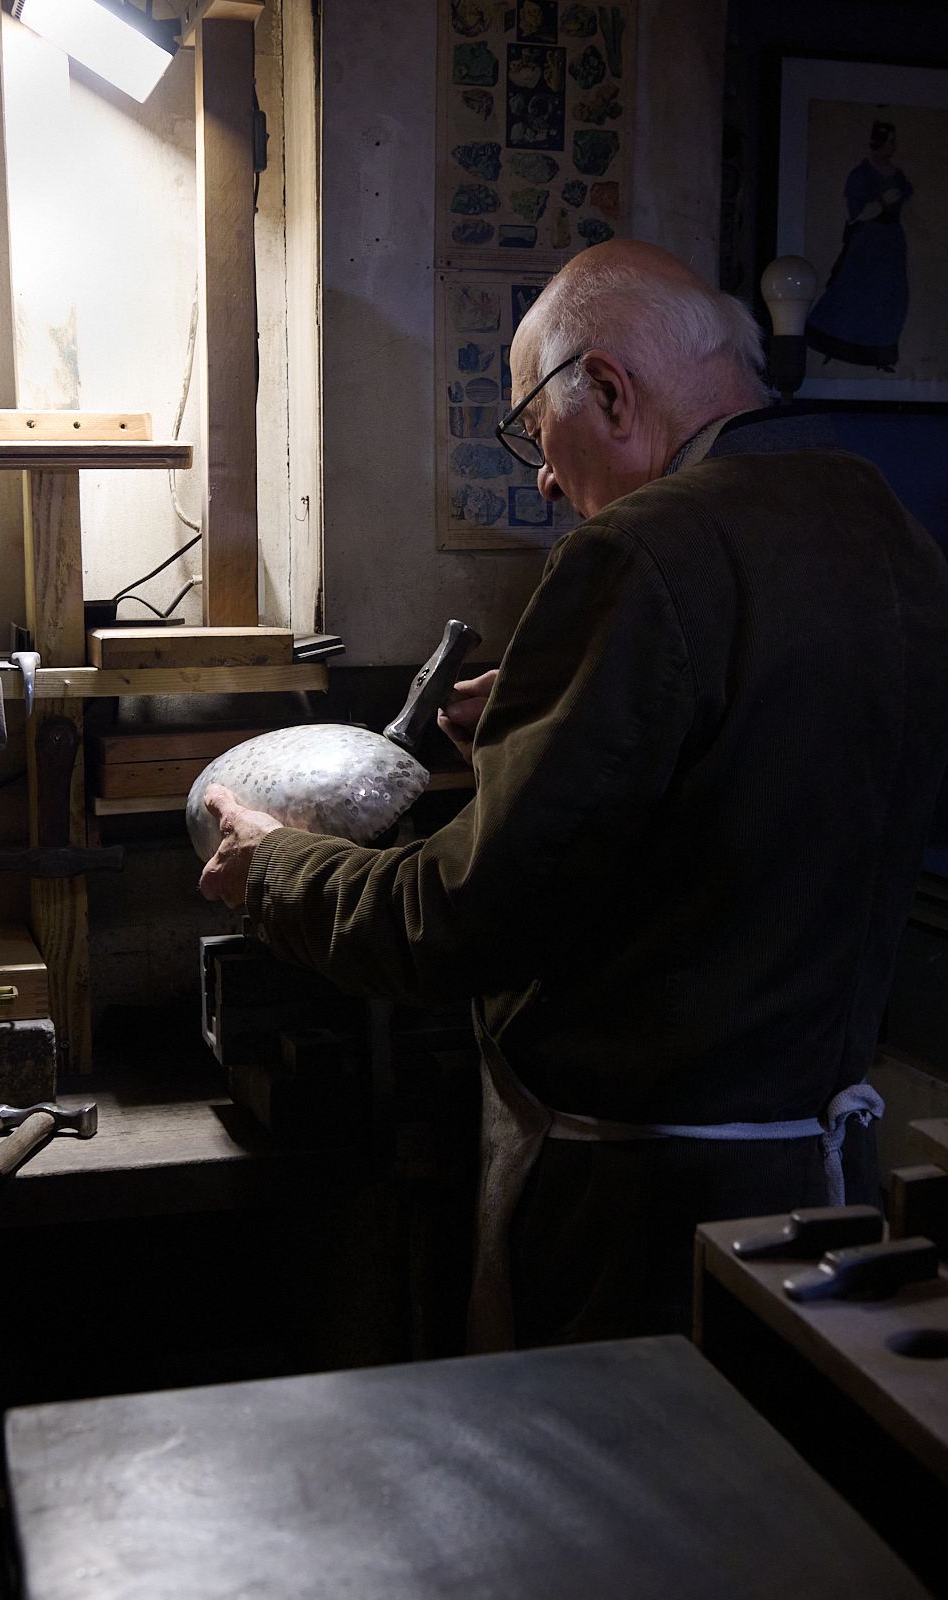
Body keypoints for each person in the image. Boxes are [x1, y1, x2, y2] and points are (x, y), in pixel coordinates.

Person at [199, 240, 948, 1351]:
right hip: (815, 1174)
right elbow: (748, 760)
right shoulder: (878, 526)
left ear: (604, 388)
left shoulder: (641, 551)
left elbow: (460, 921)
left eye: (531, 431)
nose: (543, 479)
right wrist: (585, 691)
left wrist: (279, 868)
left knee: (599, 1508)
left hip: (634, 1208)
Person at [806, 119, 914, 372]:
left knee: (891, 297)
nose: (894, 147)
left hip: (892, 244)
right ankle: (835, 344)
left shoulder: (897, 176)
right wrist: (881, 202)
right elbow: (855, 215)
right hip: (868, 243)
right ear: (879, 142)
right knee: (854, 292)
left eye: (894, 141)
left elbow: (903, 197)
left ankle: (879, 353)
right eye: (890, 142)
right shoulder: (861, 175)